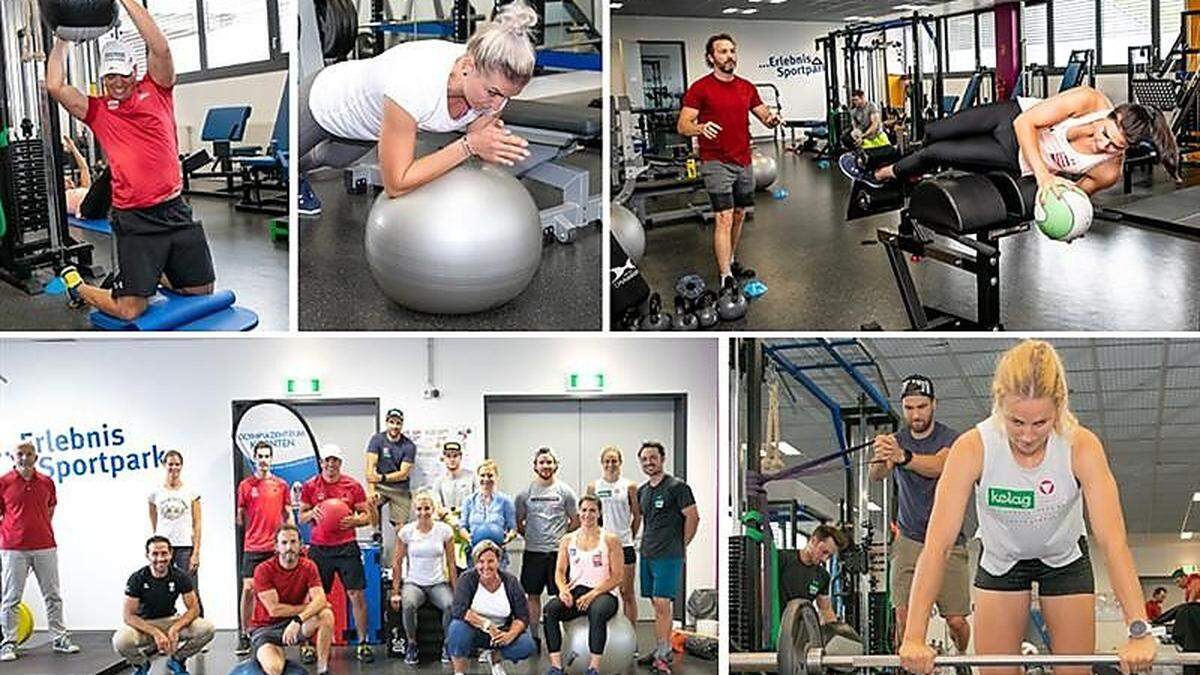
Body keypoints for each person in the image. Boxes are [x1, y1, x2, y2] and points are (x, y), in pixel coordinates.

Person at [898, 340, 1157, 675]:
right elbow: (938, 545)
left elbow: (1113, 542)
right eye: (1017, 422)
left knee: (1073, 672)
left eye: (1041, 423)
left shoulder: (1081, 446)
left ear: (1059, 408)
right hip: (1001, 560)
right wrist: (914, 637)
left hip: (1064, 560)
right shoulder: (972, 448)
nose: (1028, 436)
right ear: (999, 404)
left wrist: (1139, 631)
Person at [47, 0, 216, 320]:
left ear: (134, 71)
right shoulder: (97, 111)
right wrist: (63, 37)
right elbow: (55, 85)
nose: (118, 83)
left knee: (199, 290)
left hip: (175, 210)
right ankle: (77, 285)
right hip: (134, 219)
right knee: (130, 310)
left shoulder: (158, 90)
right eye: (110, 77)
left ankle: (148, 274)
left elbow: (161, 49)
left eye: (123, 75)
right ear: (102, 79)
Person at [297, 1, 539, 215]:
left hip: (370, 124)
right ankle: (293, 173)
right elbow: (396, 183)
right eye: (493, 93)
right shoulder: (413, 83)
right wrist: (470, 145)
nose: (497, 105)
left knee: (330, 159)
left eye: (506, 97)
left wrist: (491, 146)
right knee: (289, 159)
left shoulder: (488, 81)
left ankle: (298, 172)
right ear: (467, 66)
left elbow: (480, 140)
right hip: (324, 100)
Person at [840, 86, 1181, 196]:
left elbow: (1070, 199)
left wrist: (1068, 218)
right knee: (935, 130)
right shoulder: (1089, 101)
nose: (1104, 144)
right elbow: (1024, 123)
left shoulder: (1107, 173)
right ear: (1109, 116)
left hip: (1012, 157)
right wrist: (1045, 174)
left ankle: (881, 176)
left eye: (1116, 147)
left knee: (936, 153)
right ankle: (892, 160)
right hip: (1012, 116)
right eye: (1107, 133)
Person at [869, 374, 972, 655]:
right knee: (903, 615)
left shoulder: (953, 439)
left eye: (922, 406)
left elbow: (940, 466)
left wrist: (904, 457)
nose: (916, 414)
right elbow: (876, 475)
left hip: (949, 540)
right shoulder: (896, 440)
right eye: (910, 408)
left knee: (957, 621)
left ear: (934, 404)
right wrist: (882, 454)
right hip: (910, 539)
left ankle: (961, 657)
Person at [676, 33, 781, 290]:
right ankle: (725, 277)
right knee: (723, 217)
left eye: (732, 51)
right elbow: (682, 125)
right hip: (716, 162)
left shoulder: (746, 87)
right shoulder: (700, 88)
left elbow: (763, 115)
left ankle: (731, 259)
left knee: (738, 214)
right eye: (723, 52)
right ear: (711, 58)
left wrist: (773, 119)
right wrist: (699, 128)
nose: (729, 56)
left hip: (743, 160)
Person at [0, 441, 80, 661]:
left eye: (29, 454)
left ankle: (59, 638)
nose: (24, 457)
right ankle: (8, 644)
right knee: (11, 598)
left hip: (45, 545)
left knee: (53, 596)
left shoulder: (46, 482)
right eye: (20, 454)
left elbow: (50, 508)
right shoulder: (3, 482)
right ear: (13, 457)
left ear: (36, 457)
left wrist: (37, 527)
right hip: (13, 549)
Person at [299, 444, 374, 663]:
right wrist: (313, 511)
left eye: (335, 461)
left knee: (356, 594)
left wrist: (356, 520)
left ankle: (363, 643)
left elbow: (367, 516)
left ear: (340, 463)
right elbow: (301, 517)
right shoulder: (310, 486)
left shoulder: (353, 485)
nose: (331, 464)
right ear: (322, 462)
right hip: (319, 548)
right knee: (313, 598)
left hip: (346, 547)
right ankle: (307, 644)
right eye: (327, 460)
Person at [636, 441, 699, 675]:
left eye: (653, 457)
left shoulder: (677, 487)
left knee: (663, 603)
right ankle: (662, 648)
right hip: (648, 553)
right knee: (656, 604)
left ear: (662, 459)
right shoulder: (643, 491)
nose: (648, 462)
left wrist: (681, 546)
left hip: (669, 555)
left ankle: (663, 654)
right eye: (644, 459)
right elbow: (647, 521)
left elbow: (693, 517)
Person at [543, 495, 624, 675]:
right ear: (579, 513)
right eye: (584, 510)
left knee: (597, 611)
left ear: (599, 513)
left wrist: (593, 594)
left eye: (592, 510)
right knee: (550, 610)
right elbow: (560, 571)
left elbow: (618, 576)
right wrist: (563, 590)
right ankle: (556, 667)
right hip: (576, 591)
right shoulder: (567, 539)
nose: (588, 514)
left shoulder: (610, 539)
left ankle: (593, 668)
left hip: (605, 593)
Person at [113, 536, 214, 675]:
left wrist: (175, 628)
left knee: (206, 629)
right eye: (155, 554)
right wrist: (155, 633)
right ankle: (142, 664)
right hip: (144, 625)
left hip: (170, 620)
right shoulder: (137, 578)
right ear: (147, 556)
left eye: (164, 553)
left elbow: (194, 609)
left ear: (171, 554)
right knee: (120, 641)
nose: (160, 558)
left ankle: (177, 660)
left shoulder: (180, 576)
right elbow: (128, 616)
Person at [516, 447, 580, 650]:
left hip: (557, 554)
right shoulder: (525, 494)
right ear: (535, 466)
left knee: (562, 596)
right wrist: (533, 538)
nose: (545, 466)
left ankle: (564, 639)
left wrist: (561, 541)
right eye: (542, 462)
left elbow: (575, 520)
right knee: (532, 596)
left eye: (549, 462)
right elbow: (519, 522)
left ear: (555, 465)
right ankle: (534, 637)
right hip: (533, 553)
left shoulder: (565, 491)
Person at [249, 525, 335, 675]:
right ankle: (268, 654)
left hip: (294, 625)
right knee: (275, 669)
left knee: (326, 615)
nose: (289, 547)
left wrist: (298, 620)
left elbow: (321, 599)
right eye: (284, 543)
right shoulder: (263, 570)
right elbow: (274, 610)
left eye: (293, 542)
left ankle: (323, 670)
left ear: (300, 545)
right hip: (266, 630)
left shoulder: (308, 566)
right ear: (276, 547)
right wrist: (309, 607)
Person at [235, 441, 293, 656]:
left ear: (271, 458)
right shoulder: (245, 486)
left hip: (276, 548)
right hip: (253, 546)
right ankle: (245, 633)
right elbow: (240, 516)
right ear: (254, 458)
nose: (263, 460)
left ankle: (278, 633)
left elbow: (288, 514)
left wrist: (292, 539)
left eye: (267, 455)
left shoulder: (282, 485)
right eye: (260, 456)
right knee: (249, 590)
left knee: (281, 591)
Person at [446, 540, 537, 675]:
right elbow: (459, 609)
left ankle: (495, 657)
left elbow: (522, 617)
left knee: (527, 645)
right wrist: (487, 625)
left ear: (498, 562)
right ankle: (459, 671)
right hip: (474, 630)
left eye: (490, 561)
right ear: (475, 563)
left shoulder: (511, 582)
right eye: (481, 561)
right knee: (456, 628)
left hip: (501, 633)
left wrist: (510, 635)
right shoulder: (467, 579)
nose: (485, 566)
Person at [391, 491, 458, 665]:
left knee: (450, 605)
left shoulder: (444, 530)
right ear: (414, 510)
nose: (423, 512)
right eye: (419, 509)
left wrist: (456, 590)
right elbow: (397, 563)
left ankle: (447, 644)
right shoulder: (406, 532)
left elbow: (451, 563)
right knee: (409, 604)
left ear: (433, 509)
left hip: (437, 583)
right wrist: (396, 592)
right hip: (414, 583)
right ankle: (412, 644)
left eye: (427, 508)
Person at [585, 446, 641, 628]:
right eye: (607, 461)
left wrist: (629, 535)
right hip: (601, 546)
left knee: (627, 592)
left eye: (614, 461)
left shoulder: (630, 486)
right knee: (601, 592)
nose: (610, 464)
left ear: (620, 463)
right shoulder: (594, 487)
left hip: (624, 545)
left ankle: (631, 637)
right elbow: (590, 514)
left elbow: (637, 515)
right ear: (602, 464)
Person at [148, 450, 203, 616]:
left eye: (177, 464)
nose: (174, 468)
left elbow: (198, 523)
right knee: (161, 589)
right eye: (170, 464)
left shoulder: (191, 492)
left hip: (185, 547)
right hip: (164, 549)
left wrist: (196, 553)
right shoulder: (155, 493)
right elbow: (153, 517)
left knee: (191, 589)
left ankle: (200, 630)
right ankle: (164, 626)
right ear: (164, 465)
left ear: (181, 466)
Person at [776, 524, 848, 623]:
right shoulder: (781, 559)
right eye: (824, 552)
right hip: (771, 627)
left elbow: (826, 610)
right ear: (813, 541)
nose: (825, 559)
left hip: (799, 630)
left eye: (830, 556)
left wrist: (837, 632)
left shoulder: (823, 575)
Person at [366, 408, 417, 529]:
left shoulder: (409, 446)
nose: (395, 426)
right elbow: (370, 467)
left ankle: (400, 546)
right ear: (387, 422)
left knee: (401, 529)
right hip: (381, 487)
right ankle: (375, 531)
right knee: (370, 503)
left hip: (400, 489)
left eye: (398, 423)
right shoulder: (377, 440)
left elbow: (403, 473)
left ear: (402, 425)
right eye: (392, 422)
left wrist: (381, 477)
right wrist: (371, 491)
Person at [460, 459, 518, 560]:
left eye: (490, 475)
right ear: (477, 477)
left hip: (497, 555)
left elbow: (513, 529)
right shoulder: (468, 501)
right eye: (482, 475)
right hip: (475, 555)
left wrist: (507, 539)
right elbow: (462, 527)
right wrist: (469, 539)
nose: (486, 479)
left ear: (496, 477)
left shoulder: (505, 501)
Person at [434, 441, 477, 519]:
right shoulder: (439, 481)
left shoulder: (472, 477)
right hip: (447, 522)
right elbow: (438, 506)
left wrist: (459, 511)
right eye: (448, 456)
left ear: (460, 457)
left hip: (468, 521)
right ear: (444, 458)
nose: (452, 459)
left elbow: (477, 503)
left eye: (455, 456)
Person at [62, 135, 92, 218]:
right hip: (88, 208)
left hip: (96, 202)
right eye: (66, 180)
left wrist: (73, 148)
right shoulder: (61, 198)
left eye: (69, 179)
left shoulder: (83, 188)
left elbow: (84, 168)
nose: (69, 180)